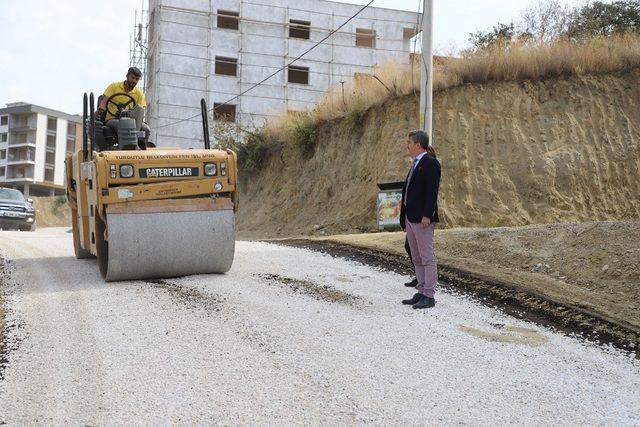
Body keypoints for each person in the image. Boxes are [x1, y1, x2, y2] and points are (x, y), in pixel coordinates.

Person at [400, 130, 441, 309]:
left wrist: (427, 215)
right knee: (416, 256)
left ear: (418, 144)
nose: (406, 145)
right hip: (411, 217)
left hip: (422, 219)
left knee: (426, 256)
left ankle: (429, 295)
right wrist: (404, 218)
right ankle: (421, 290)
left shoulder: (431, 163)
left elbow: (432, 192)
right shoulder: (415, 163)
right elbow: (408, 191)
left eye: (409, 142)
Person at [96, 67, 150, 145]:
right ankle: (126, 148)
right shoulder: (114, 86)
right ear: (127, 76)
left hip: (131, 121)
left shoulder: (138, 93)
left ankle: (141, 151)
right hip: (112, 119)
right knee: (123, 125)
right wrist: (100, 109)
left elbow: (140, 110)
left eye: (137, 79)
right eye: (133, 78)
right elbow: (104, 101)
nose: (134, 81)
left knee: (146, 129)